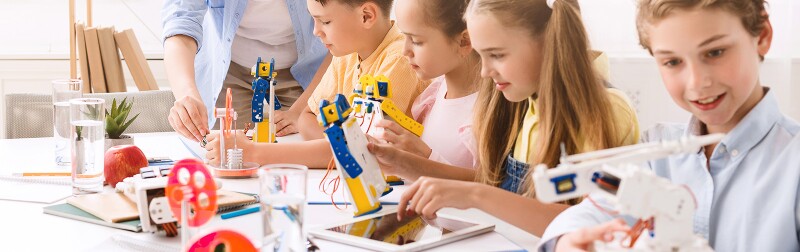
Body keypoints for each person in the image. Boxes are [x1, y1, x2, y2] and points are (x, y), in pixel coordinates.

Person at [541, 0, 800, 251]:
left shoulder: (793, 166)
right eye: (673, 62)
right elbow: (591, 212)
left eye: (715, 52)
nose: (696, 82)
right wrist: (568, 241)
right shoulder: (654, 153)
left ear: (763, 36)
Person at [367, 0, 639, 237]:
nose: (484, 72)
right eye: (482, 55)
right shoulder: (525, 105)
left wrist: (475, 195)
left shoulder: (605, 110)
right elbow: (504, 192)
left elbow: (591, 224)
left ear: (549, 41)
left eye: (496, 55)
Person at [161, 0, 331, 141]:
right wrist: (187, 94)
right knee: (225, 151)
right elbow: (180, 22)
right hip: (228, 70)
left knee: (301, 145)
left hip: (309, 72)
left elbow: (344, 39)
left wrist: (301, 109)